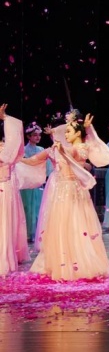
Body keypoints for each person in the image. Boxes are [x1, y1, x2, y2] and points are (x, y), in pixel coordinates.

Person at [26, 111, 109, 281]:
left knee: (74, 224)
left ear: (77, 133)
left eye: (69, 131)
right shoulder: (66, 147)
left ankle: (74, 263)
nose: (65, 134)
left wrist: (87, 129)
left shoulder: (80, 148)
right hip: (63, 189)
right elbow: (37, 159)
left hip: (71, 190)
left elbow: (74, 155)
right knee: (61, 224)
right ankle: (61, 261)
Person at [0, 105, 31, 276]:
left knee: (4, 221)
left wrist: (5, 118)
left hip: (4, 187)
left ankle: (5, 255)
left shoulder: (7, 152)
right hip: (6, 187)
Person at [20, 121, 46, 243]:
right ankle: (26, 234)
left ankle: (36, 233)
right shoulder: (23, 150)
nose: (37, 137)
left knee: (38, 207)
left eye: (39, 135)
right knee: (26, 208)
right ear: (28, 136)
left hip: (38, 182)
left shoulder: (41, 149)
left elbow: (47, 167)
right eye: (35, 135)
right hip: (26, 183)